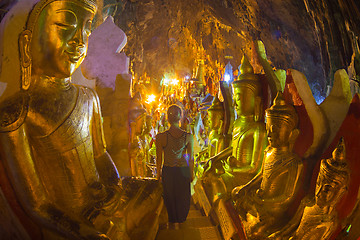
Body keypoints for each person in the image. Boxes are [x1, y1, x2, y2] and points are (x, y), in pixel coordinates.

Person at [0, 0, 162, 239]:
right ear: (28, 42)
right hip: (72, 217)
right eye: (66, 26)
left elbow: (100, 155)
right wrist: (84, 232)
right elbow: (37, 204)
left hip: (103, 200)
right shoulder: (18, 113)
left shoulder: (89, 98)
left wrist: (115, 187)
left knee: (156, 190)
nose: (79, 40)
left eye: (86, 29)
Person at [156, 104, 194, 228]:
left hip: (168, 171)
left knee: (170, 197)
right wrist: (191, 173)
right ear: (180, 117)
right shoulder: (188, 136)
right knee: (182, 197)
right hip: (183, 171)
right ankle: (182, 224)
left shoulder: (161, 137)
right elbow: (190, 158)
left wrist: (158, 175)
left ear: (167, 118)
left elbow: (159, 159)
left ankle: (172, 225)